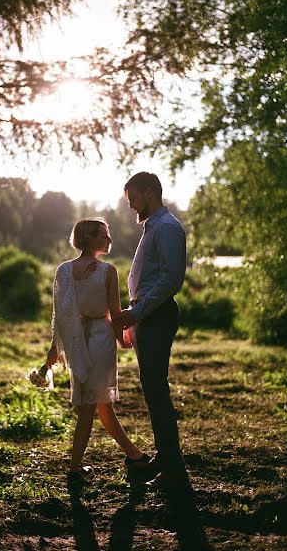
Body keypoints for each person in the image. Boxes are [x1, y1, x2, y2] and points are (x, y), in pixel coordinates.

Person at [45, 217, 150, 486]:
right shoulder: (108, 271)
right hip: (99, 339)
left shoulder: (63, 271)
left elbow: (60, 316)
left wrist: (56, 347)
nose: (109, 240)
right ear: (89, 238)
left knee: (100, 402)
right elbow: (115, 314)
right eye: (104, 236)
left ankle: (133, 455)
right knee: (90, 405)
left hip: (78, 339)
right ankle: (75, 468)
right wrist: (123, 340)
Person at [113, 172, 188, 489]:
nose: (131, 206)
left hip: (157, 316)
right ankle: (167, 459)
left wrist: (138, 312)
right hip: (148, 317)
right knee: (153, 390)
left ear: (149, 192)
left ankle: (171, 466)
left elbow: (171, 279)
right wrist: (136, 317)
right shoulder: (154, 227)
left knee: (156, 390)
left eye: (133, 199)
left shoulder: (167, 228)